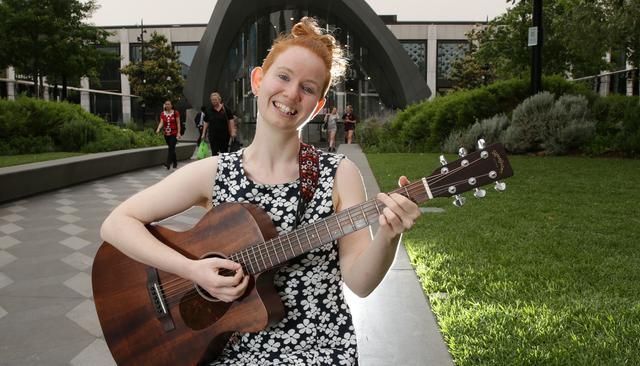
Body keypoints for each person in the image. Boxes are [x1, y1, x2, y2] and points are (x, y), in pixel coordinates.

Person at [100, 17, 421, 365]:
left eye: (308, 88)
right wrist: (192, 270)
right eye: (283, 76)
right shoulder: (214, 172)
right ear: (258, 80)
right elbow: (116, 223)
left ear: (317, 106)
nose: (291, 93)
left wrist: (389, 236)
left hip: (318, 350)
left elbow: (359, 283)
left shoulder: (339, 174)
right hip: (230, 351)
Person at [155, 100, 181, 169]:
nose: (167, 105)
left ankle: (168, 163)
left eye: (169, 104)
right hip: (166, 134)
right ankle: (175, 162)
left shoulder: (176, 113)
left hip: (174, 133)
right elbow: (161, 122)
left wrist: (178, 132)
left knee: (171, 147)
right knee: (171, 148)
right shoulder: (163, 113)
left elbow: (178, 123)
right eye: (166, 104)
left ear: (171, 105)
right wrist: (158, 129)